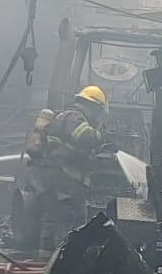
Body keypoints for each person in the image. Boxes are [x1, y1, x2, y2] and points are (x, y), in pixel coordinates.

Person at [14, 85, 111, 252]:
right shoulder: (73, 116)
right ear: (94, 106)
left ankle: (46, 262)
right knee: (65, 222)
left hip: (52, 177)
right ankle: (62, 262)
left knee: (51, 221)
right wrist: (103, 134)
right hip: (62, 179)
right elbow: (85, 137)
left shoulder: (66, 116)